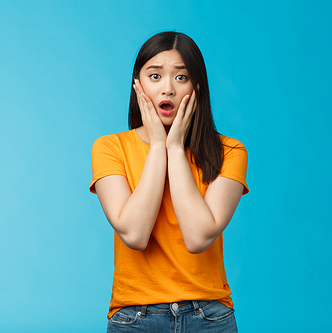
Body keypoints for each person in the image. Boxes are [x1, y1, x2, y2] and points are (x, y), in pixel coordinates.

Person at [90, 31, 249, 332]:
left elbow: (198, 237)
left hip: (209, 316)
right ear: (137, 86)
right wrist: (157, 148)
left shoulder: (230, 151)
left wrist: (174, 148)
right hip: (135, 318)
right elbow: (135, 235)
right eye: (154, 76)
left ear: (197, 87)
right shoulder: (110, 148)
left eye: (181, 77)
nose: (167, 89)